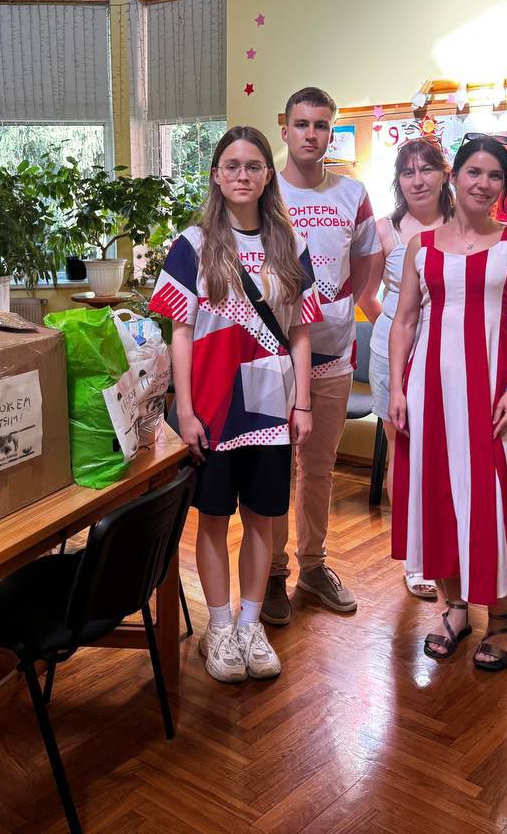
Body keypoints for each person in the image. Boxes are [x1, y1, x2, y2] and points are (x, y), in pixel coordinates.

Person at [149, 125, 321, 683]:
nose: (242, 175)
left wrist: (303, 404)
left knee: (262, 519)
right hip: (214, 406)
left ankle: (251, 623)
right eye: (232, 165)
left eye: (252, 166)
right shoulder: (193, 245)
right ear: (216, 175)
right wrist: (185, 410)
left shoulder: (290, 245)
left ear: (267, 175)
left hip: (271, 406)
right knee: (214, 518)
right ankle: (219, 627)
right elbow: (180, 333)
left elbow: (300, 332)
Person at [388, 134, 507, 670]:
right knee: (437, 493)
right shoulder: (422, 245)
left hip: (492, 392)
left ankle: (500, 620)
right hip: (427, 386)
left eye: (495, 175)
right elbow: (405, 320)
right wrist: (398, 388)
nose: (484, 183)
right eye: (474, 172)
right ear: (454, 177)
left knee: (488, 500)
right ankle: (454, 608)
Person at [263, 87, 382, 626]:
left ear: (331, 132)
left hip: (332, 354)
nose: (311, 134)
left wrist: (340, 304)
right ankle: (271, 573)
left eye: (321, 125)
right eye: (302, 124)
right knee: (272, 470)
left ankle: (313, 566)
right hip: (271, 357)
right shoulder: (265, 190)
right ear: (285, 129)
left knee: (318, 469)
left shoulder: (352, 193)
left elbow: (367, 262)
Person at [358, 137, 453, 600]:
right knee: (402, 450)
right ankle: (415, 559)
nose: (418, 180)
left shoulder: (462, 224)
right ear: (398, 180)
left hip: (447, 352)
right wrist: (395, 332)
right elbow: (366, 295)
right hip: (390, 355)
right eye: (408, 172)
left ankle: (446, 548)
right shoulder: (385, 229)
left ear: (444, 173)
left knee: (443, 452)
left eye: (426, 169)